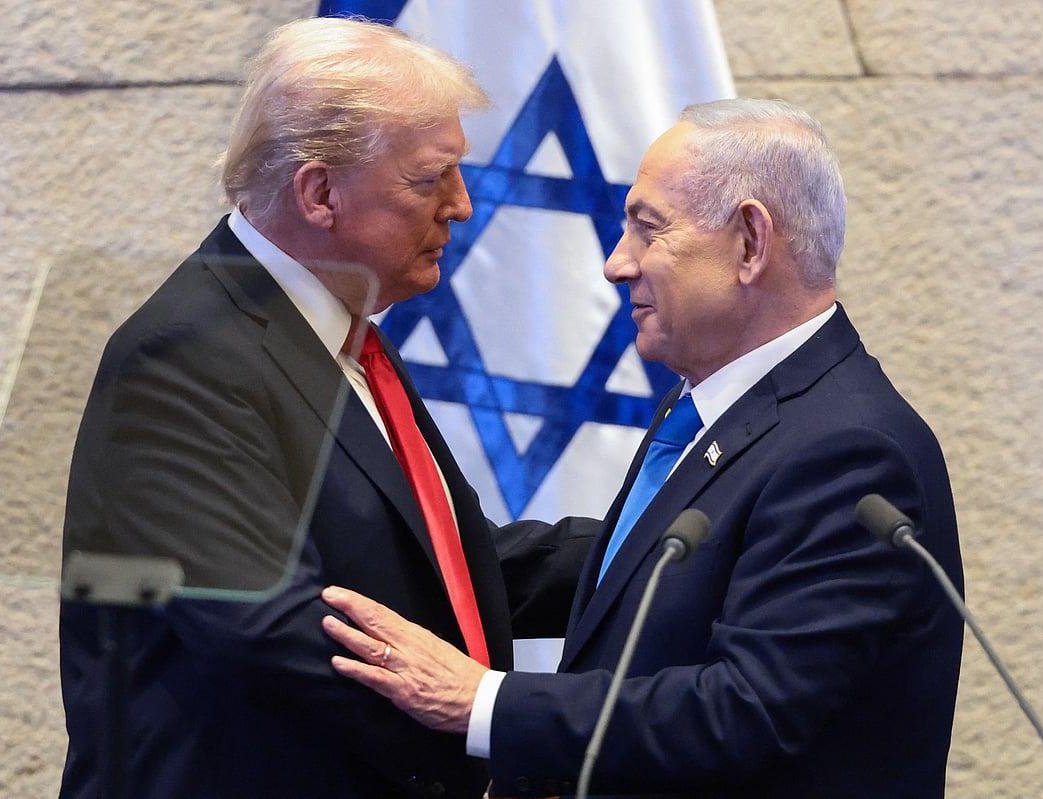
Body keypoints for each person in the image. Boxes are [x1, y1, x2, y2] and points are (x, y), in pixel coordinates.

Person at [321, 98, 965, 798]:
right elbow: (645, 571)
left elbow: (745, 711)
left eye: (646, 229)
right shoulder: (719, 398)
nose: (614, 263)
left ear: (750, 242)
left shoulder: (852, 451)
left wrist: (479, 700)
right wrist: (379, 554)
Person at [58, 16, 588, 799]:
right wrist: (490, 743)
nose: (462, 206)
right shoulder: (182, 357)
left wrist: (666, 551)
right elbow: (277, 634)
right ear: (319, 192)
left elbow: (432, 568)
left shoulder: (343, 331)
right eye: (428, 179)